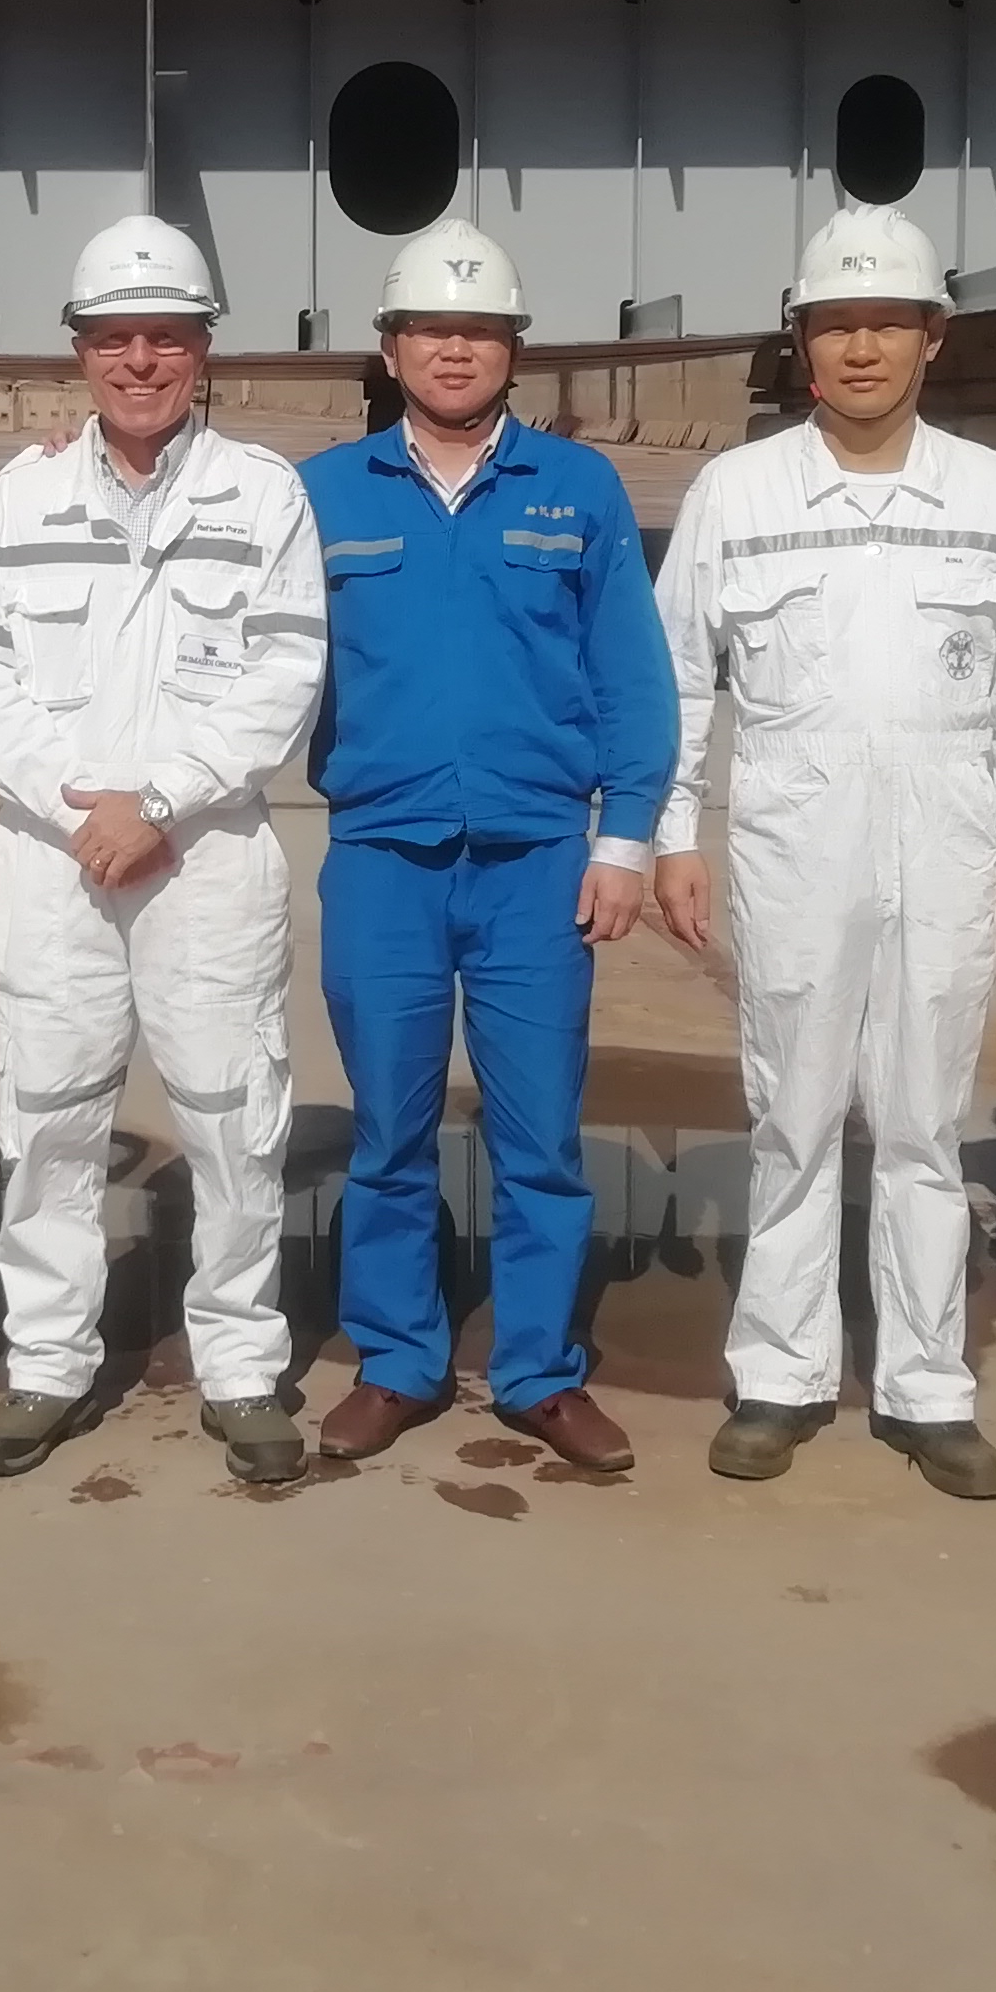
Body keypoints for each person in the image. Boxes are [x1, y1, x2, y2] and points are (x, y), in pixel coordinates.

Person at [650, 204, 996, 1502]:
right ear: (802, 342)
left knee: (924, 1126)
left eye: (887, 322)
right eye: (837, 325)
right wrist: (672, 830)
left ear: (932, 338)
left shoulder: (993, 498)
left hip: (946, 851)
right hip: (795, 848)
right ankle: (778, 1377)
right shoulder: (739, 494)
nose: (861, 348)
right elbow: (677, 676)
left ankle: (927, 1387)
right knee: (791, 1116)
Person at [0, 215, 327, 1484]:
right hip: (52, 860)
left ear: (202, 349)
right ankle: (48, 1364)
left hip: (202, 858)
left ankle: (240, 1365)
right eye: (115, 339)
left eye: (166, 337)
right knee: (47, 1120)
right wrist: (83, 816)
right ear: (80, 352)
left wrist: (156, 801)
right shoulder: (22, 495)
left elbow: (283, 671)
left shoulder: (262, 494)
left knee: (231, 1118)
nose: (141, 362)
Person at [301, 219, 676, 1473]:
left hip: (535, 865)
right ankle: (396, 1361)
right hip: (382, 856)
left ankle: (536, 1372)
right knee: (387, 1132)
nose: (452, 350)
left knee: (539, 1139)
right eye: (428, 329)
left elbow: (631, 676)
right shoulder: (322, 493)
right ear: (390, 347)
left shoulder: (577, 489)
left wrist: (623, 841)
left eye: (478, 330)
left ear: (512, 348)